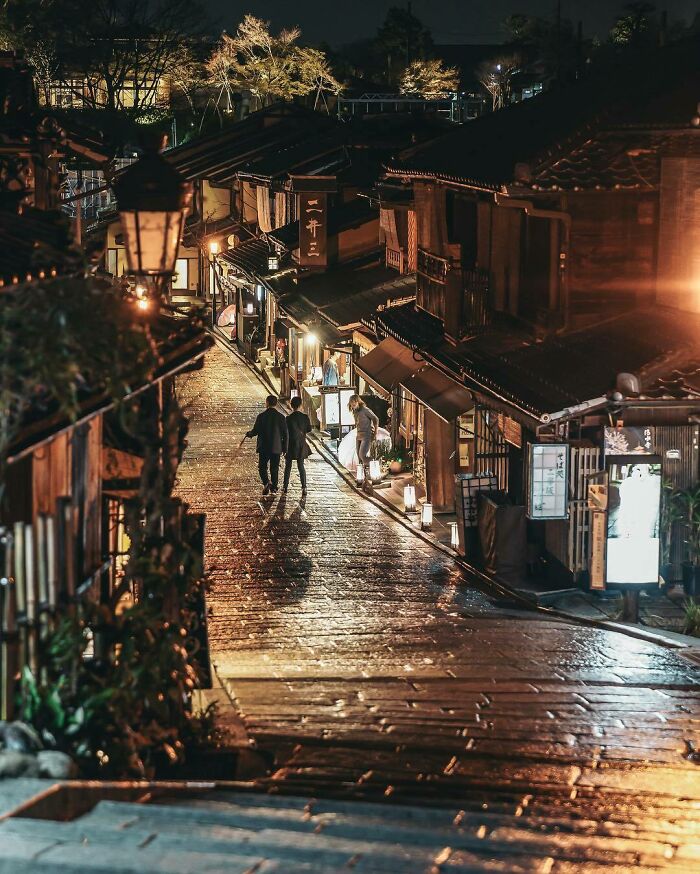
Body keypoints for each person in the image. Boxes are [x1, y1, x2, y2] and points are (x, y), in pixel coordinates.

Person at [244, 395, 288, 495]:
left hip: (264, 446)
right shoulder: (281, 417)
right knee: (275, 468)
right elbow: (285, 434)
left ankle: (266, 482)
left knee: (262, 467)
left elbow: (255, 431)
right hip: (276, 447)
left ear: (267, 403)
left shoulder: (261, 416)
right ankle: (274, 488)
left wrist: (249, 434)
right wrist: (285, 448)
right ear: (276, 403)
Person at [282, 396, 312, 495]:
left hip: (290, 444)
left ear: (291, 406)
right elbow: (309, 429)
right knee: (301, 466)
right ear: (300, 405)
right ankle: (304, 487)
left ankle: (285, 487)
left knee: (288, 466)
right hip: (301, 444)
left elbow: (285, 432)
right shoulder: (305, 417)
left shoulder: (288, 418)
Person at [348, 394, 378, 479]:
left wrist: (375, 432)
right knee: (359, 457)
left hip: (367, 434)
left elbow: (375, 418)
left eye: (354, 403)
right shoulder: (355, 411)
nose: (353, 405)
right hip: (359, 435)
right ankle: (363, 476)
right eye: (351, 403)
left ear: (358, 402)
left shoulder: (365, 410)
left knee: (362, 455)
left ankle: (375, 463)